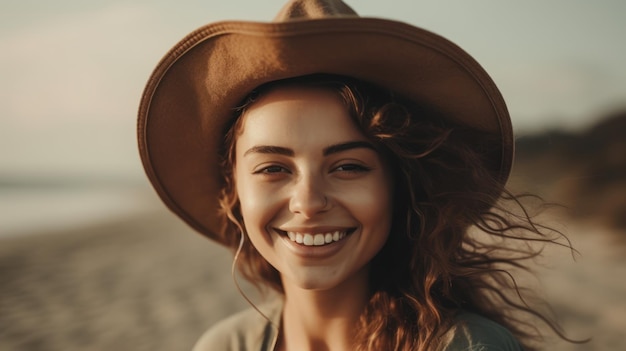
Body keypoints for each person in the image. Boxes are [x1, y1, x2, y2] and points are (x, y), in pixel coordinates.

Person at [137, 1, 575, 350]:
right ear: (233, 191)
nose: (308, 202)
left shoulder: (467, 346)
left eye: (348, 166)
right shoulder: (221, 345)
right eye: (273, 168)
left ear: (399, 185)